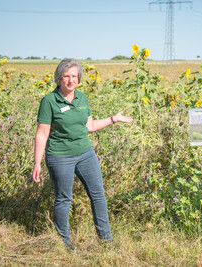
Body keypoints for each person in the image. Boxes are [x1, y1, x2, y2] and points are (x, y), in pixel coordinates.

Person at [32, 58, 132, 251]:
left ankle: (106, 240)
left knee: (98, 195)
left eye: (74, 76)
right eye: (66, 76)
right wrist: (37, 162)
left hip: (85, 153)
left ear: (79, 78)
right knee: (64, 199)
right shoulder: (49, 101)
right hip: (60, 157)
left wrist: (114, 119)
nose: (71, 80)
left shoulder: (82, 98)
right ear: (59, 78)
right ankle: (63, 243)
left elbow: (90, 126)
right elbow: (42, 133)